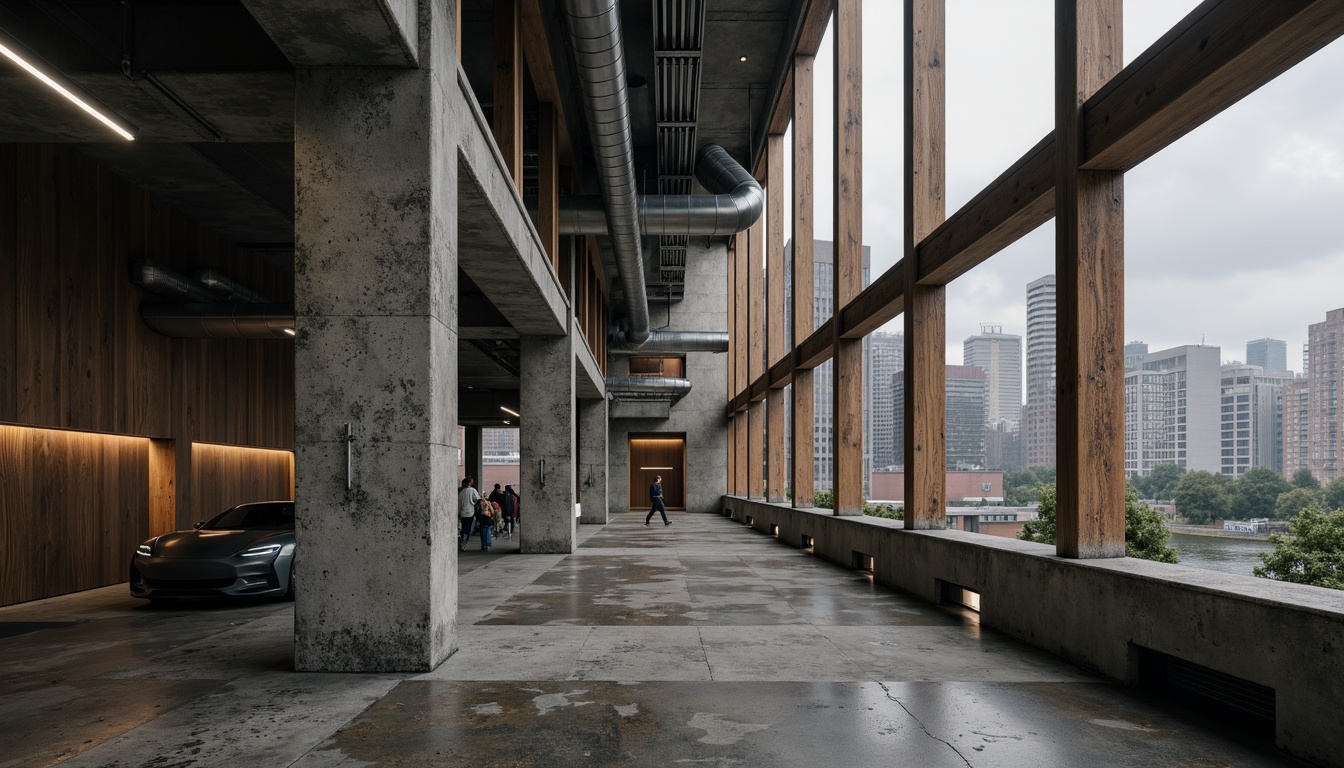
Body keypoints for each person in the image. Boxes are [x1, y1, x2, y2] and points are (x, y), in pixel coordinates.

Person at [459, 476, 481, 551]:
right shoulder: (472, 490)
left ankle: (462, 542)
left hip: (462, 513)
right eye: (472, 481)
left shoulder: (461, 491)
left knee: (463, 529)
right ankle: (463, 544)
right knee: (467, 530)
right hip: (469, 512)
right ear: (469, 483)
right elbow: (477, 499)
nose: (473, 482)